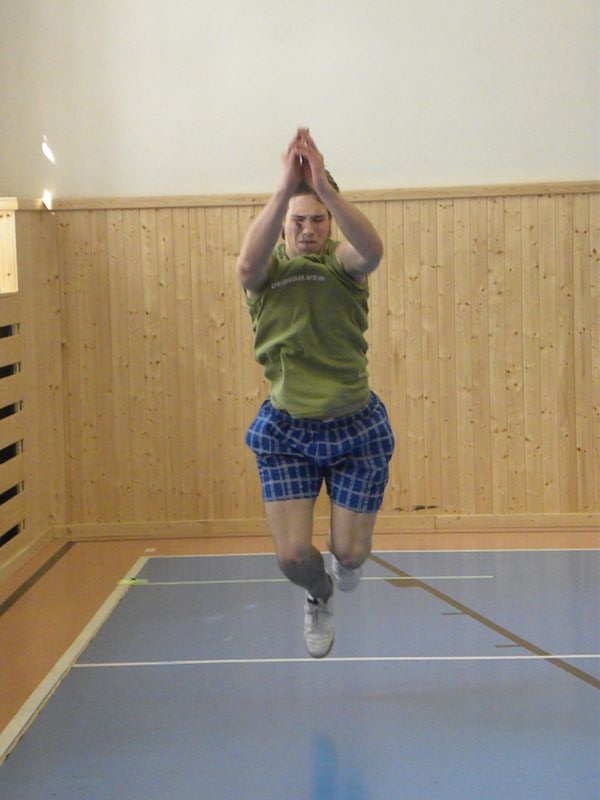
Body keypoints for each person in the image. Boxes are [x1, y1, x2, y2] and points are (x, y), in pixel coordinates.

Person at [236, 128, 395, 658]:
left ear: (329, 224)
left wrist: (324, 187)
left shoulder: (341, 265)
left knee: (350, 553)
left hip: (355, 428)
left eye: (318, 221)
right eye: (298, 221)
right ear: (283, 224)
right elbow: (245, 266)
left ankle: (342, 567)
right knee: (292, 557)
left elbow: (372, 250)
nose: (308, 231)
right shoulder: (267, 274)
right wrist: (286, 188)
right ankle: (317, 593)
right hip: (288, 431)